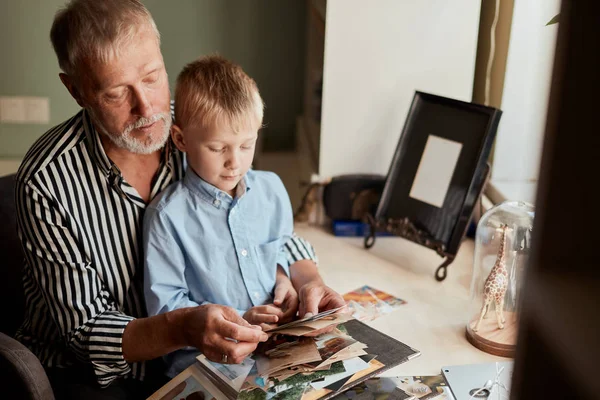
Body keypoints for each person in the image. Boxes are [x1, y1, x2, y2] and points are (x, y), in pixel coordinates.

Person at [13, 0, 344, 398]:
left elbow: (255, 214)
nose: (148, 108)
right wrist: (184, 327)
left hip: (213, 354)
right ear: (76, 90)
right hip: (96, 372)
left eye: (152, 77)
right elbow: (84, 334)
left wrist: (298, 277)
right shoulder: (46, 181)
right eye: (116, 93)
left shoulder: (198, 128)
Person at [144, 55, 302, 377]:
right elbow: (166, 310)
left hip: (279, 351)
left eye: (246, 146)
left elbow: (281, 248)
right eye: (219, 148)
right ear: (181, 139)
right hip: (209, 367)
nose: (234, 162)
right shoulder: (166, 217)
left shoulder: (270, 191)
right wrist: (239, 320)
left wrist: (285, 280)